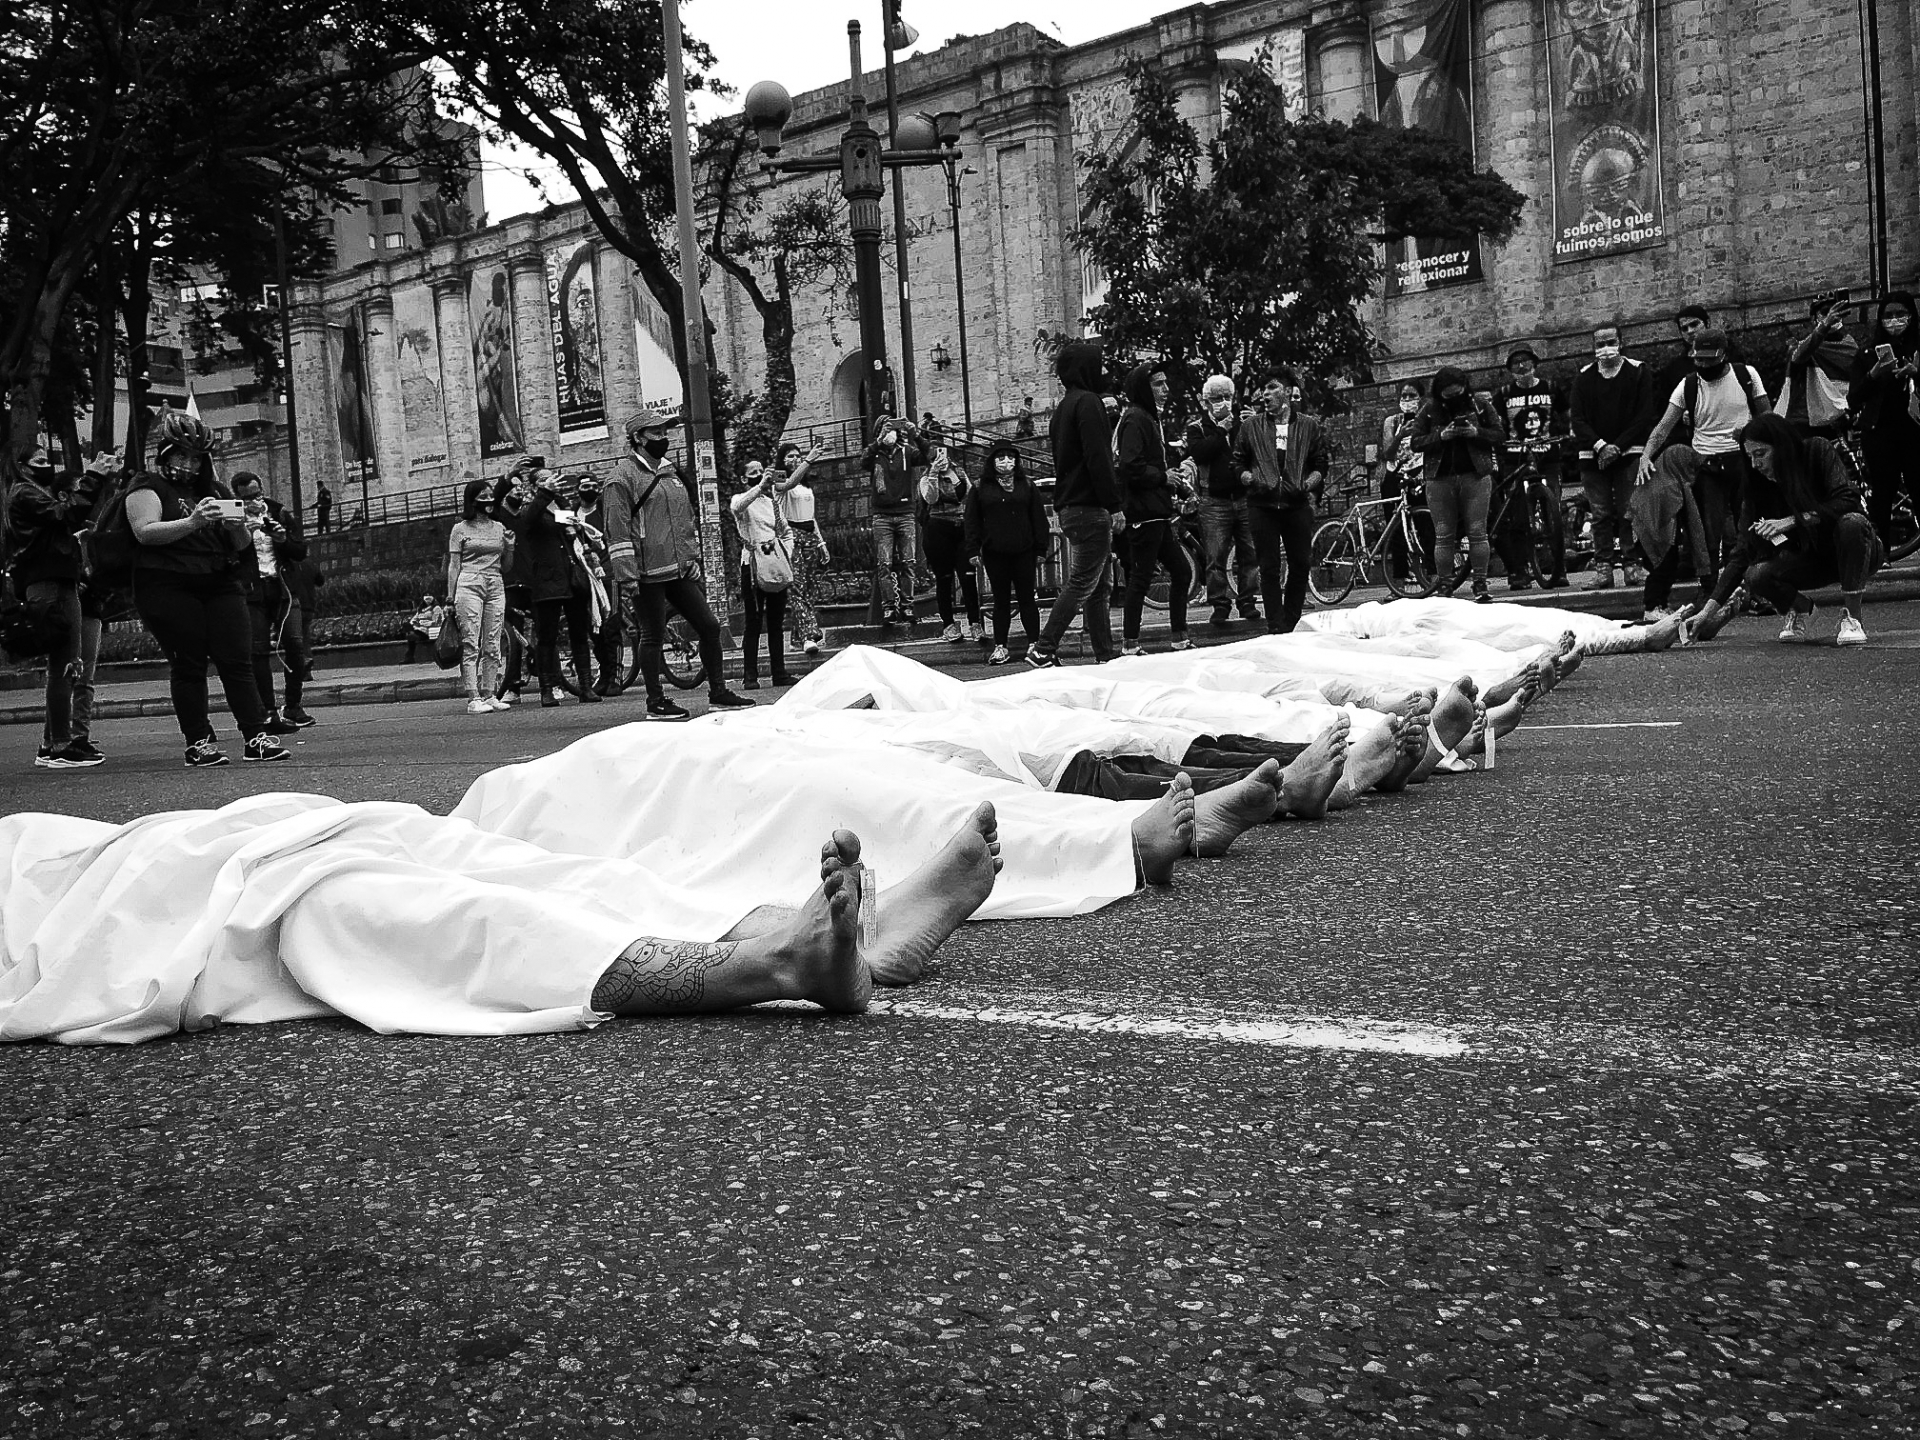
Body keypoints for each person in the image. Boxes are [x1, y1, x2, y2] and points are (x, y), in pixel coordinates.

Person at [0, 797, 1002, 1044]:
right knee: (347, 909)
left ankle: (833, 939)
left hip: (177, 837)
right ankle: (773, 964)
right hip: (143, 885)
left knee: (502, 860)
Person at [123, 410, 288, 766]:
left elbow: (240, 545)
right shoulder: (148, 486)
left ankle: (255, 736)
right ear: (165, 454)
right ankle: (198, 741)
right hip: (168, 583)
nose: (189, 465)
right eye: (182, 456)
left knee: (237, 660)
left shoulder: (214, 490)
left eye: (196, 458)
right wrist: (193, 521)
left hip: (219, 580)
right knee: (189, 663)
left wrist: (236, 526)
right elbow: (144, 531)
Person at [601, 411, 753, 721]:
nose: (663, 438)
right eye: (655, 433)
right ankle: (656, 702)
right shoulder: (621, 478)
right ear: (638, 438)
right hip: (645, 573)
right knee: (652, 635)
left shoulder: (670, 473)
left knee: (709, 626)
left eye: (664, 432)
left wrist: (691, 558)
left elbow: (684, 521)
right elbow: (617, 532)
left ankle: (719, 693)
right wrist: (628, 576)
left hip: (678, 569)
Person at [1688, 414, 1882, 647]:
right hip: (1810, 559)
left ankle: (1853, 619)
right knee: (1756, 574)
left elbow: (1848, 500)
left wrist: (1793, 521)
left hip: (1857, 550)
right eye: (1750, 457)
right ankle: (1802, 610)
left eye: (1761, 454)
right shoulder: (1756, 484)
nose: (1755, 464)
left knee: (1852, 522)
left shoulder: (1816, 451)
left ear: (1781, 447)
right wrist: (1706, 613)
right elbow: (1741, 553)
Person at [1636, 326, 1770, 610]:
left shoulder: (1746, 375)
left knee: (1751, 528)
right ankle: (1711, 591)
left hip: (1744, 461)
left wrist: (1763, 444)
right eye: (1698, 360)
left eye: (1710, 360)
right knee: (1707, 533)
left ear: (1724, 355)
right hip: (1707, 465)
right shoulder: (1688, 385)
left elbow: (1767, 417)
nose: (1704, 366)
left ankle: (1756, 589)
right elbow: (1663, 427)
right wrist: (1646, 455)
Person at [7, 447, 110, 768]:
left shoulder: (31, 493)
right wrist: (94, 476)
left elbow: (60, 521)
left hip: (55, 579)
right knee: (65, 664)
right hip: (48, 580)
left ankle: (53, 743)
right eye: (39, 462)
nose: (47, 466)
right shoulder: (26, 493)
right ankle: (61, 745)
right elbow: (64, 514)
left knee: (66, 664)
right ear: (22, 467)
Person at [1028, 340, 1124, 668]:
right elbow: (1098, 459)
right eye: (1099, 364)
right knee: (1084, 581)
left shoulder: (1063, 409)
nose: (1104, 371)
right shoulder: (1088, 403)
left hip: (1071, 506)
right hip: (1089, 506)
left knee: (1098, 584)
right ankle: (1043, 647)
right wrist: (1114, 504)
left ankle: (1105, 653)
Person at [1230, 367, 1330, 633]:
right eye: (1264, 389)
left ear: (1287, 391)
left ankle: (1291, 620)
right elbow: (1237, 462)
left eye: (1272, 387)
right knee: (1269, 566)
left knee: (1300, 563)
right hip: (1262, 505)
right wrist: (1250, 478)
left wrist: (1306, 485)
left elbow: (1320, 463)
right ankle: (1275, 625)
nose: (1266, 394)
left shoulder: (1308, 425)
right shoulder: (1251, 426)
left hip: (1296, 504)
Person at [1569, 323, 1657, 589]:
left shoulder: (1638, 371)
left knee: (1630, 511)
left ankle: (1632, 566)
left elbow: (1645, 414)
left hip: (1629, 452)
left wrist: (1617, 446)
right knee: (1599, 514)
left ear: (1621, 342)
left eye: (1611, 342)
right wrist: (1601, 446)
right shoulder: (1583, 377)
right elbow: (1578, 418)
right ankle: (1603, 569)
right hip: (1592, 454)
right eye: (1600, 344)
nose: (1606, 348)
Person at [1114, 363, 1193, 656]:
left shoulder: (1147, 418)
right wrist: (1162, 477)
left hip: (1156, 510)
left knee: (1180, 571)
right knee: (1141, 577)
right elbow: (1130, 466)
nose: (1165, 390)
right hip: (1144, 512)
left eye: (1165, 383)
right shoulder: (1136, 418)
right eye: (1158, 384)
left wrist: (1173, 482)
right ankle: (1130, 643)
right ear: (1143, 388)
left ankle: (1179, 637)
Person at [1409, 365, 1504, 603]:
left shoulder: (1480, 405)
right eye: (1448, 395)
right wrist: (1441, 436)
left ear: (1465, 388)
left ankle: (1480, 582)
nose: (1453, 399)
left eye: (1457, 393)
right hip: (1439, 477)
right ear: (1439, 392)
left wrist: (1476, 432)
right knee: (1444, 534)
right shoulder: (1429, 410)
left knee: (1477, 531)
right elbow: (1415, 442)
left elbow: (1500, 435)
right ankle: (1444, 584)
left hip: (1475, 474)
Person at [510, 469, 599, 706]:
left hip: (571, 578)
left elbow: (572, 531)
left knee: (579, 633)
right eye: (543, 479)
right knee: (547, 636)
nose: (551, 481)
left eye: (552, 478)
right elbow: (528, 522)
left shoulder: (560, 505)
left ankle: (586, 686)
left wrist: (576, 529)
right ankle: (547, 688)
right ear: (534, 486)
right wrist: (545, 493)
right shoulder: (530, 507)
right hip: (546, 580)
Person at [229, 472, 305, 735]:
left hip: (283, 587)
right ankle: (268, 712)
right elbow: (227, 555)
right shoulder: (232, 519)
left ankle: (293, 705)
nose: (254, 501)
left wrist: (283, 539)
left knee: (295, 644)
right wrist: (243, 534)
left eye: (257, 494)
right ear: (237, 497)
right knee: (258, 651)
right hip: (253, 591)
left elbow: (301, 551)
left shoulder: (278, 512)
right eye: (247, 498)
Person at [965, 439, 1049, 665]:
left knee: (1027, 598)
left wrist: (1041, 549)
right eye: (1000, 458)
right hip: (995, 552)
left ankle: (1034, 643)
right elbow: (972, 521)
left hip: (1024, 551)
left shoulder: (1027, 485)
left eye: (1010, 458)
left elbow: (1038, 519)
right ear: (992, 461)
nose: (1006, 462)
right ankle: (1000, 645)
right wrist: (972, 549)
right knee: (1000, 600)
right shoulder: (980, 487)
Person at [1489, 346, 1569, 587]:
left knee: (1553, 513)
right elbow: (1495, 424)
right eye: (1516, 363)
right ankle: (1521, 570)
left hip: (1548, 457)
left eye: (1525, 361)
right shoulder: (1503, 395)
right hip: (1515, 460)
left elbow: (1568, 416)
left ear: (1535, 364)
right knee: (1518, 518)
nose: (1521, 366)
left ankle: (1559, 568)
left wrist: (1568, 434)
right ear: (1510, 369)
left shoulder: (1550, 388)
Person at [1187, 375, 1260, 626]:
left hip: (1244, 497)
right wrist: (1221, 430)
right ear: (1207, 402)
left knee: (1250, 552)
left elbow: (1259, 452)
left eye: (1227, 397)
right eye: (1217, 398)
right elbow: (1200, 453)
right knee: (1215, 555)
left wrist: (1255, 425)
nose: (1223, 402)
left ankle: (1247, 600)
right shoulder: (1197, 428)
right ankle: (1219, 603)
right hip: (1214, 501)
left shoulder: (1244, 423)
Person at [1847, 292, 1920, 545]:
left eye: (1900, 314)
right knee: (1882, 494)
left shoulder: (1917, 349)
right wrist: (1874, 374)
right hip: (1880, 433)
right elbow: (1854, 397)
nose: (1894, 320)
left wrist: (1915, 373)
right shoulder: (1868, 353)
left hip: (1915, 430)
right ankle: (1882, 553)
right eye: (1888, 315)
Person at [447, 480, 512, 714]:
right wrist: (449, 598)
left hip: (495, 583)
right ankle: (473, 697)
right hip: (469, 583)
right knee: (471, 641)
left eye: (490, 495)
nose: (488, 500)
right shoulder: (460, 529)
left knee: (493, 642)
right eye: (482, 496)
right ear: (472, 500)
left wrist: (510, 547)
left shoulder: (499, 527)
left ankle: (489, 693)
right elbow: (454, 565)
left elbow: (506, 566)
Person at [731, 457, 795, 690]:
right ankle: (750, 675)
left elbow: (786, 531)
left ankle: (779, 672)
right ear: (743, 479)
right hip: (752, 565)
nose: (759, 474)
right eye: (753, 472)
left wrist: (784, 553)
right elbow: (737, 507)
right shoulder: (740, 499)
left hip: (774, 563)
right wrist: (760, 486)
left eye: (762, 470)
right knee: (754, 621)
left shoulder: (772, 503)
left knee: (777, 622)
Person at [861, 416, 930, 626]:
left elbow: (928, 455)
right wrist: (879, 440)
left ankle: (908, 606)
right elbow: (863, 461)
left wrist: (915, 434)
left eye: (892, 428)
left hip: (905, 513)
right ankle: (889, 607)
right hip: (882, 515)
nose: (890, 433)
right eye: (885, 428)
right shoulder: (875, 454)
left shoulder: (907, 451)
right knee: (884, 564)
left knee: (909, 562)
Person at [917, 442, 983, 643]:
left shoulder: (959, 472)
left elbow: (969, 496)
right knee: (944, 578)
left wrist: (952, 475)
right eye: (935, 457)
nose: (940, 459)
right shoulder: (925, 478)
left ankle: (975, 622)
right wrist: (934, 473)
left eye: (942, 455)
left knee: (968, 577)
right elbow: (930, 498)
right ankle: (948, 624)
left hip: (961, 527)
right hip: (938, 528)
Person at [773, 440, 830, 656]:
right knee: (796, 587)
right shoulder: (778, 477)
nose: (795, 459)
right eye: (790, 456)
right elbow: (786, 485)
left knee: (809, 588)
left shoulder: (805, 484)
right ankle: (809, 635)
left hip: (809, 536)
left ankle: (797, 638)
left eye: (798, 456)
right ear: (782, 459)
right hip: (790, 535)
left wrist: (821, 542)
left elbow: (811, 516)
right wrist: (808, 461)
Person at [1779, 293, 1860, 440]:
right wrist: (1825, 325)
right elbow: (1799, 356)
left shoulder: (1851, 346)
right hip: (1806, 422)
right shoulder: (1803, 347)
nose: (1832, 315)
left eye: (1836, 311)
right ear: (1814, 319)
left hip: (1838, 419)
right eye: (1825, 312)